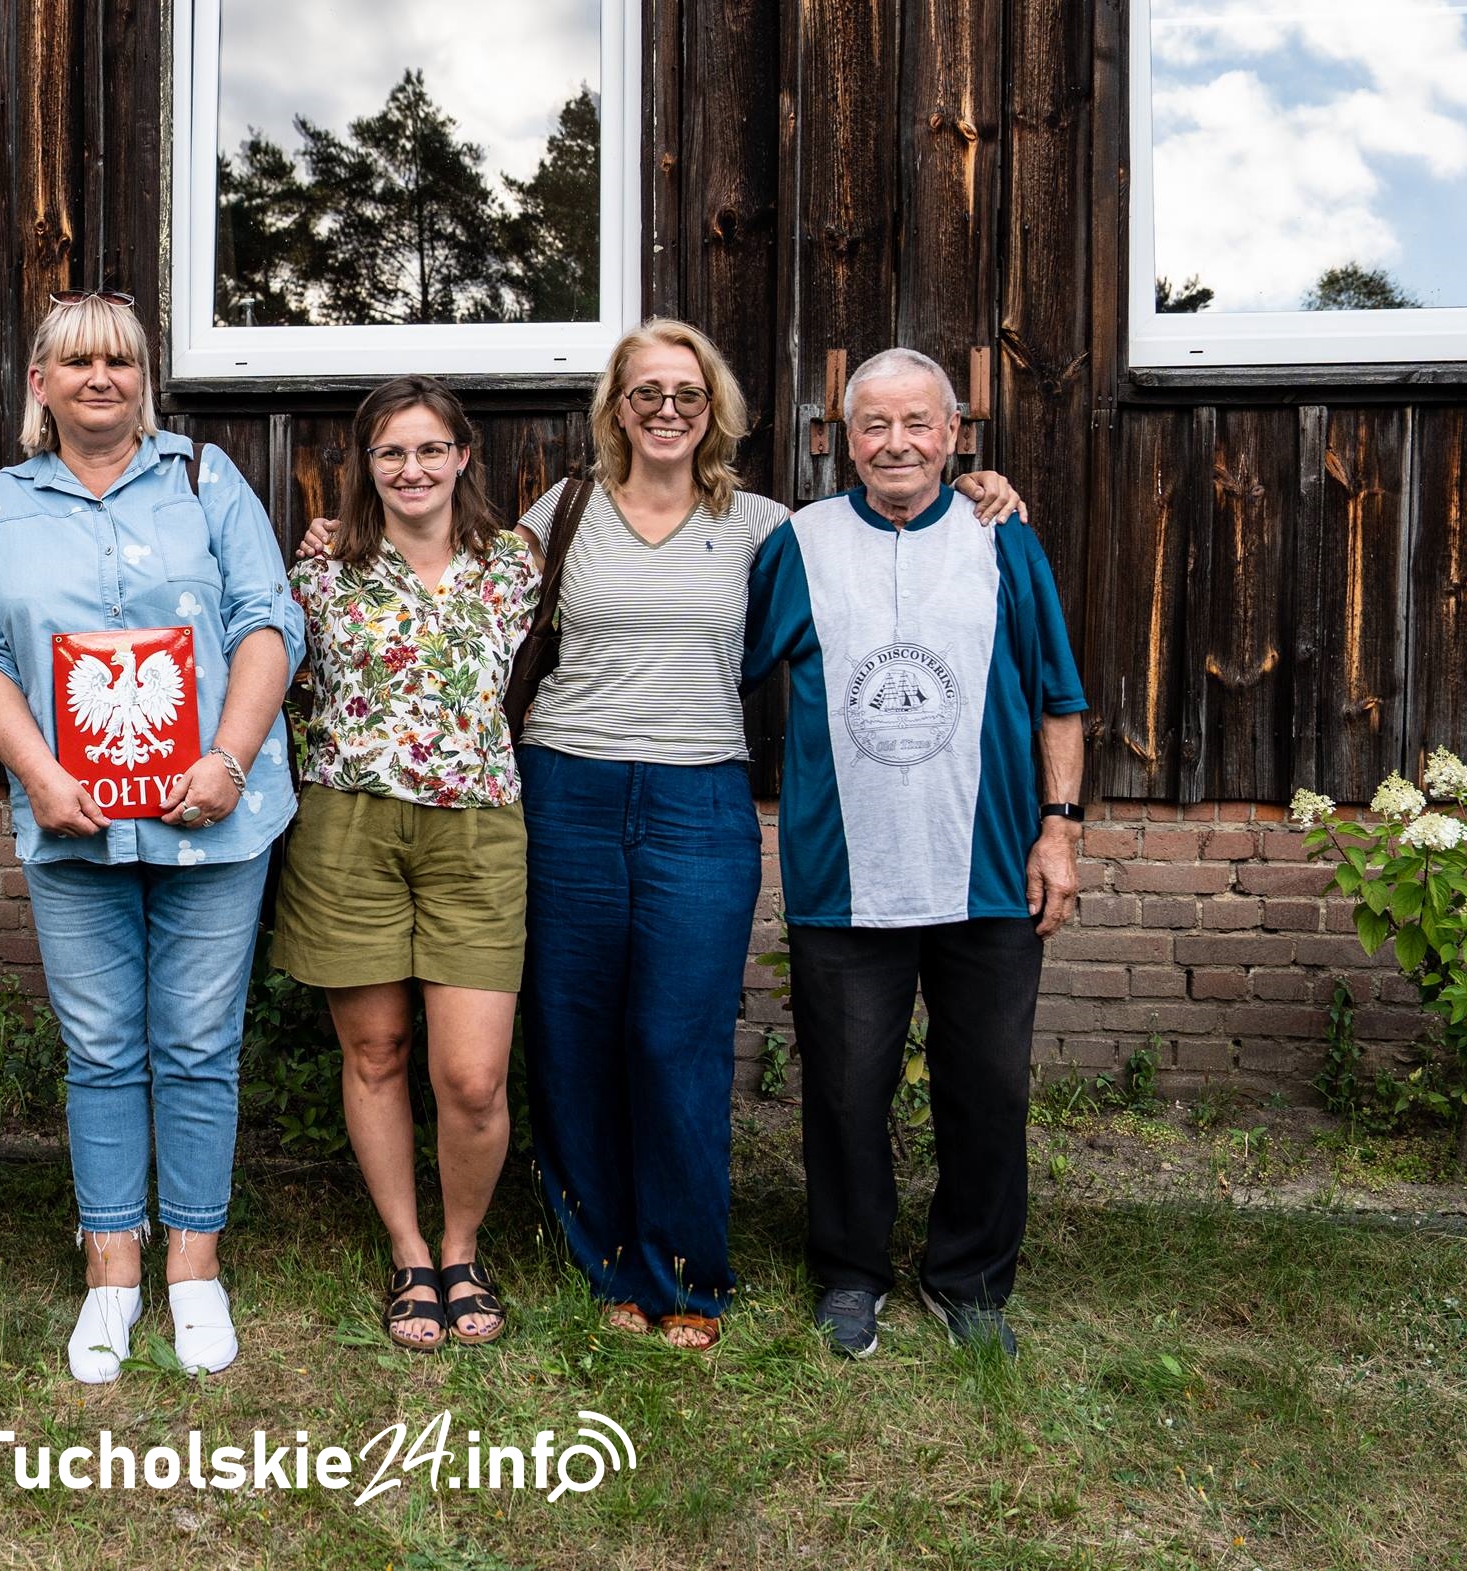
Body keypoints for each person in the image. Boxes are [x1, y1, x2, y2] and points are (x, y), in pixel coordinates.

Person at [308, 321, 1023, 1350]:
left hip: (700, 800)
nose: (666, 410)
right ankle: (606, 1258)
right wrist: (338, 536)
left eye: (686, 393)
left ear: (713, 408)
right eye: (644, 392)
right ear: (615, 406)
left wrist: (980, 489)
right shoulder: (563, 511)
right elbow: (451, 577)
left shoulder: (768, 526)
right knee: (576, 1034)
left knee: (679, 1037)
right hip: (566, 788)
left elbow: (872, 553)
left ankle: (688, 1269)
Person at [0, 291, 303, 1383]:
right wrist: (39, 774)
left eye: (120, 359)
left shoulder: (205, 479)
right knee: (101, 1046)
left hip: (213, 815)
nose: (100, 376)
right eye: (77, 360)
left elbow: (268, 621)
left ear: (145, 378)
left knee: (197, 1042)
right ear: (40, 384)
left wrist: (228, 759)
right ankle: (112, 1267)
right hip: (73, 819)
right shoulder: (4, 502)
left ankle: (193, 1264)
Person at [743, 346, 1085, 1361]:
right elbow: (724, 662)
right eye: (875, 425)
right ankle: (851, 1273)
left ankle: (969, 1279)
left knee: (989, 1087)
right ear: (844, 440)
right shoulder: (802, 543)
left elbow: (1058, 699)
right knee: (846, 1090)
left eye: (918, 422)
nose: (897, 443)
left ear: (954, 434)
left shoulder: (1003, 539)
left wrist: (1059, 830)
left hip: (988, 869)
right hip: (843, 872)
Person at [272, 376, 539, 1352]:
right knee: (376, 1052)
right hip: (350, 827)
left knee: (471, 1075)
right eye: (391, 451)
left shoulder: (514, 563)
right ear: (365, 463)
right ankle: (410, 1251)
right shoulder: (318, 572)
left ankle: (463, 1246)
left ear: (463, 456)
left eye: (430, 449)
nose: (412, 468)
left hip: (476, 829)